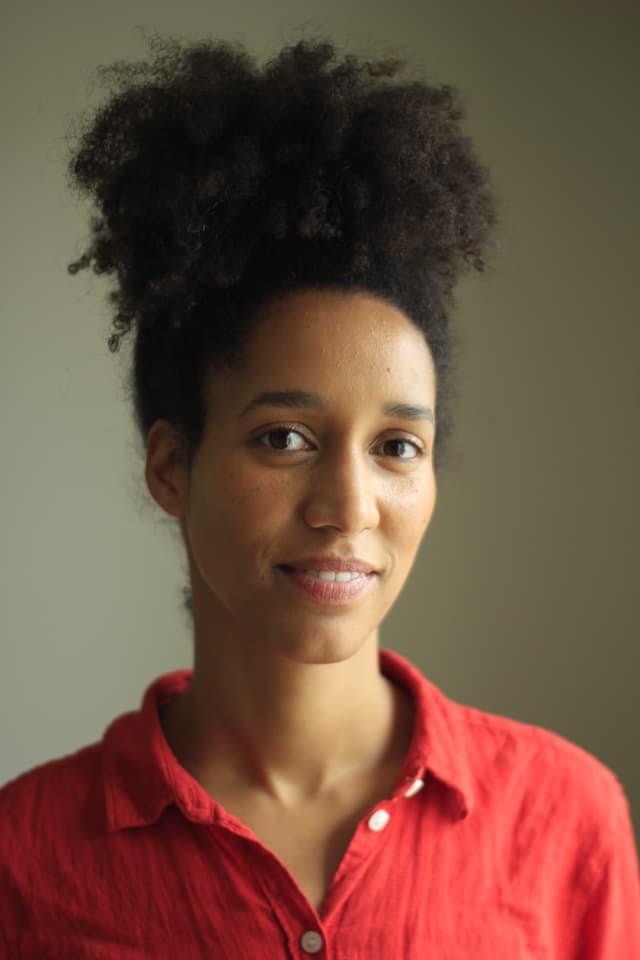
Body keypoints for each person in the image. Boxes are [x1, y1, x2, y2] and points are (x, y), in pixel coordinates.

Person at [1, 34, 638, 959]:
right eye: (284, 438)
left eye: (396, 448)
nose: (349, 506)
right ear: (172, 467)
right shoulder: (21, 861)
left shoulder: (567, 819)